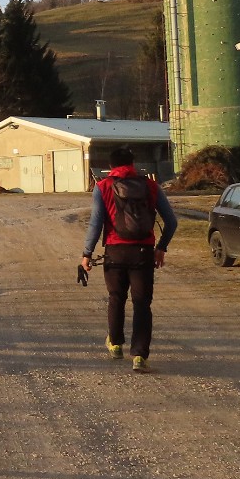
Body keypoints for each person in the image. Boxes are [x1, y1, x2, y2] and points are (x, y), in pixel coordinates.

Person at [80, 145, 177, 372]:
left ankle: (115, 343)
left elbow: (95, 224)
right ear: (132, 165)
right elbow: (171, 222)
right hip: (143, 252)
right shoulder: (151, 186)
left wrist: (87, 254)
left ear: (111, 167)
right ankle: (140, 356)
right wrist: (161, 248)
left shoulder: (103, 187)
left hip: (115, 251)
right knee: (142, 303)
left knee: (116, 298)